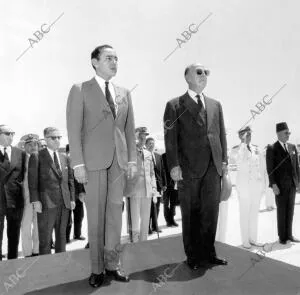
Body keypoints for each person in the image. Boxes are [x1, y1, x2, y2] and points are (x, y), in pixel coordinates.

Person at [66, 44, 137, 288]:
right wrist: (77, 163)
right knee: (95, 217)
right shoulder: (80, 89)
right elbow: (73, 130)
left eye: (117, 58)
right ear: (95, 62)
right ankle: (97, 269)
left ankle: (111, 265)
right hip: (93, 163)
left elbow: (129, 130)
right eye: (109, 58)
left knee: (115, 217)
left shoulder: (124, 93)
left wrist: (132, 161)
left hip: (118, 164)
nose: (114, 62)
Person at [163, 63, 228, 270]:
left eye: (206, 72)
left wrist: (224, 161)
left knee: (210, 212)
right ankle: (192, 256)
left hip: (212, 167)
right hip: (188, 168)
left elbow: (221, 135)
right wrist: (174, 165)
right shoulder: (174, 105)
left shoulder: (215, 104)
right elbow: (170, 139)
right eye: (198, 72)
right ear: (187, 77)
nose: (203, 75)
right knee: (191, 213)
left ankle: (209, 252)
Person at [28, 127, 75, 255]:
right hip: (46, 204)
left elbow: (69, 180)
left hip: (64, 204)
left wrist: (71, 199)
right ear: (46, 139)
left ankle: (60, 263)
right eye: (53, 137)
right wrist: (35, 201)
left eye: (59, 137)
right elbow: (32, 182)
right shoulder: (37, 156)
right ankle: (46, 267)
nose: (57, 140)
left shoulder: (64, 157)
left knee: (61, 237)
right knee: (45, 238)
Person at [266, 122, 300, 244]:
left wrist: (298, 183)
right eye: (286, 133)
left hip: (292, 185)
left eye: (289, 132)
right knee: (282, 211)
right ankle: (282, 237)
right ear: (279, 133)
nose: (288, 135)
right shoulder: (272, 148)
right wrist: (273, 184)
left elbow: (296, 166)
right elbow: (270, 169)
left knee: (290, 210)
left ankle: (290, 235)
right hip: (279, 186)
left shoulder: (292, 147)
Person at [233, 126, 265, 249]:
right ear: (240, 136)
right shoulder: (236, 150)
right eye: (246, 135)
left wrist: (261, 185)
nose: (249, 137)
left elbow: (260, 167)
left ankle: (253, 239)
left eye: (250, 134)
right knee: (245, 214)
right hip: (244, 187)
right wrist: (243, 143)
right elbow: (239, 160)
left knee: (254, 214)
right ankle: (245, 240)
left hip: (255, 186)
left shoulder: (255, 149)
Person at [125, 127, 157, 242]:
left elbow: (152, 173)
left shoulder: (148, 153)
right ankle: (135, 245)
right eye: (140, 137)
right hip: (134, 192)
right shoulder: (129, 153)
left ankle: (144, 243)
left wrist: (154, 188)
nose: (143, 139)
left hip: (147, 192)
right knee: (134, 222)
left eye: (144, 137)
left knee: (145, 221)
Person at [0, 125, 26, 260]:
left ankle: (12, 261)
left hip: (15, 200)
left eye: (12, 133)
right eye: (7, 133)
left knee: (14, 234)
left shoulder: (19, 153)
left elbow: (22, 175)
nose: (11, 136)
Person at [20, 134, 40, 257]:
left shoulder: (40, 159)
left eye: (35, 144)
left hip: (38, 199)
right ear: (24, 146)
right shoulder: (20, 160)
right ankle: (27, 253)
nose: (33, 147)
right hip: (25, 199)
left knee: (38, 226)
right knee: (26, 226)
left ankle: (36, 251)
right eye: (30, 144)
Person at [65, 144, 86, 243]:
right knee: (68, 219)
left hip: (78, 195)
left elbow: (81, 179)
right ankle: (66, 237)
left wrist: (82, 192)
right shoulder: (65, 162)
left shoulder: (79, 163)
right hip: (68, 195)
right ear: (67, 152)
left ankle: (77, 234)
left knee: (80, 215)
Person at [145, 137, 163, 234]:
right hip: (148, 186)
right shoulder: (143, 156)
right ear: (146, 145)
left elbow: (162, 171)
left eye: (153, 143)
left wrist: (163, 184)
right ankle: (147, 228)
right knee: (148, 207)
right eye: (149, 143)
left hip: (158, 186)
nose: (151, 145)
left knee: (157, 207)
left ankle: (155, 226)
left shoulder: (158, 156)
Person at [161, 152, 178, 227]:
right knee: (166, 203)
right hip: (166, 184)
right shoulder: (163, 156)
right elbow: (162, 171)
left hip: (174, 183)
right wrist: (163, 184)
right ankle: (168, 220)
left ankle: (172, 219)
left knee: (173, 203)